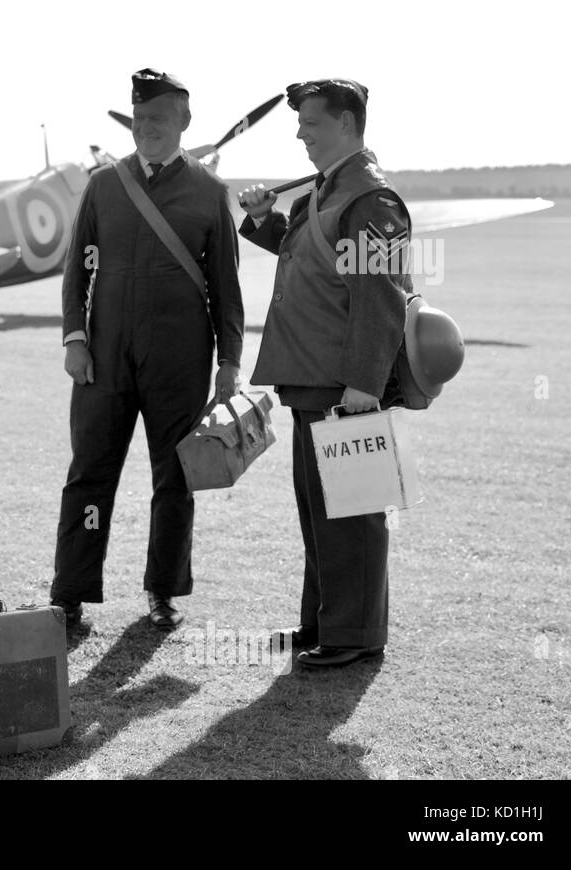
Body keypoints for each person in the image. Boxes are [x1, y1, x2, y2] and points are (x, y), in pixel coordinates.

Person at [51, 69, 245, 631]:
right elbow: (75, 271)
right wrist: (75, 338)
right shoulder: (104, 185)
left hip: (180, 360)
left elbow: (226, 289)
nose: (146, 129)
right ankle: (70, 593)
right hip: (104, 356)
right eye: (139, 120)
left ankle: (163, 592)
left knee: (175, 477)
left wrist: (229, 362)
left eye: (158, 120)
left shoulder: (210, 194)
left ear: (183, 122)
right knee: (89, 475)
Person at [238, 80, 410, 668]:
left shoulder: (369, 199)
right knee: (318, 508)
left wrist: (364, 385)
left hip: (346, 383)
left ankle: (353, 636)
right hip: (314, 375)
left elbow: (381, 297)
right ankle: (323, 623)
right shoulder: (329, 189)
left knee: (353, 511)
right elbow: (308, 254)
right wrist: (264, 221)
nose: (300, 133)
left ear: (344, 122)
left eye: (310, 123)